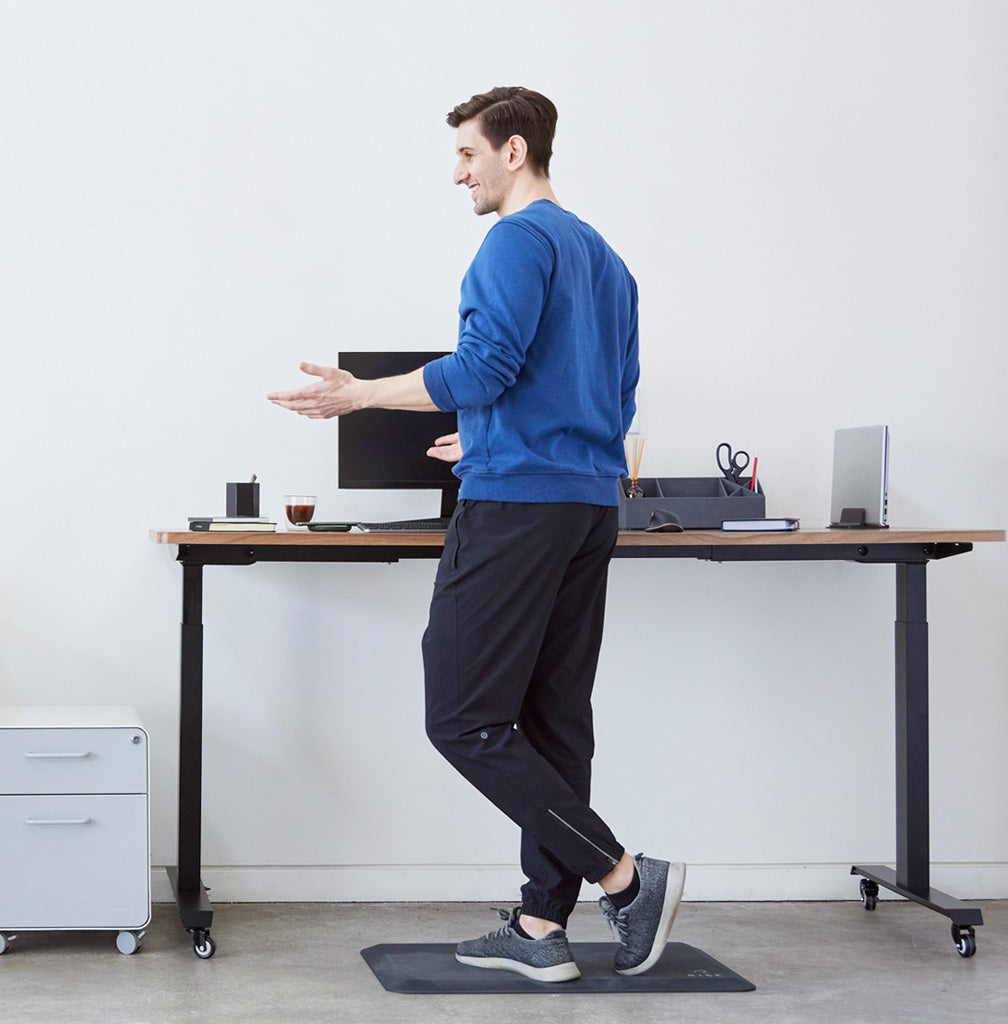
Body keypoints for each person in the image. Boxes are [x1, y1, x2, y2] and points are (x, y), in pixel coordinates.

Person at [267, 86, 684, 983]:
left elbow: (485, 365)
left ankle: (622, 877)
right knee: (554, 716)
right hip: (585, 504)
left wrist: (358, 395)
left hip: (517, 508)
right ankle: (541, 929)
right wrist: (495, 433)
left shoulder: (514, 241)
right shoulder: (606, 260)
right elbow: (612, 399)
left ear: (515, 151)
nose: (458, 172)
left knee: (463, 716)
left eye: (467, 154)